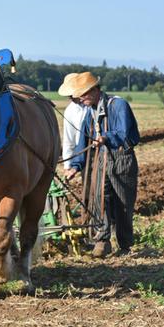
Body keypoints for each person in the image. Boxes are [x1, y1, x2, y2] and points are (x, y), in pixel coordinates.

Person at [64, 72, 140, 258]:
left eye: (83, 94)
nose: (80, 99)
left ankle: (125, 245)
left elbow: (124, 132)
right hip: (100, 159)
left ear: (95, 90)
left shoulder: (118, 105)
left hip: (121, 158)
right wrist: (75, 165)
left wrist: (106, 137)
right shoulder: (89, 111)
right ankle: (103, 240)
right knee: (99, 199)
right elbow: (83, 141)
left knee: (122, 203)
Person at [57, 73, 91, 169]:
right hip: (83, 156)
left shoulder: (96, 105)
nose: (70, 97)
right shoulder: (70, 111)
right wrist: (67, 166)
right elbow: (68, 140)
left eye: (72, 93)